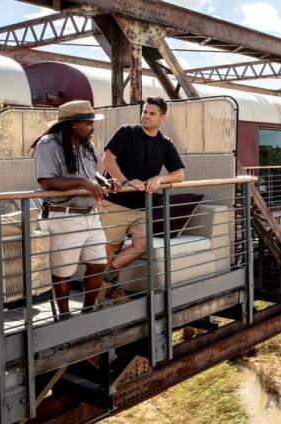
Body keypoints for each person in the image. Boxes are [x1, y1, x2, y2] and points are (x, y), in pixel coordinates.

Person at [31, 100, 120, 319]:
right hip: (64, 216)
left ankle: (88, 311)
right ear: (73, 124)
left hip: (90, 215)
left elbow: (91, 174)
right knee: (63, 271)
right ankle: (64, 316)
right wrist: (82, 183)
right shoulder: (48, 145)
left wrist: (106, 181)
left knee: (98, 264)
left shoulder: (86, 144)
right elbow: (47, 183)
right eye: (88, 123)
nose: (92, 128)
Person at [99, 96, 185, 301]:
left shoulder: (165, 143)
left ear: (162, 118)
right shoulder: (127, 132)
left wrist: (160, 178)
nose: (146, 116)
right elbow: (107, 160)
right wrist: (125, 181)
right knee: (112, 247)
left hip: (141, 206)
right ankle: (107, 294)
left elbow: (179, 174)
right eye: (145, 111)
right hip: (114, 203)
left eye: (152, 113)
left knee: (142, 244)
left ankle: (106, 280)